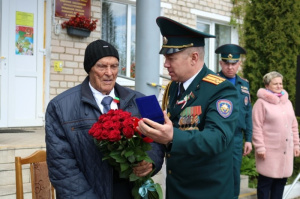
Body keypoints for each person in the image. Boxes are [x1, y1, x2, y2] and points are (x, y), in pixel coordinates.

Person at [45, 39, 165, 199]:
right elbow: (61, 167)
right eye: (102, 66)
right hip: (89, 193)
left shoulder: (142, 100)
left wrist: (151, 162)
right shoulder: (60, 107)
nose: (109, 72)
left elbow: (158, 138)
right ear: (89, 69)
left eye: (114, 66)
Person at [137, 16, 239, 199]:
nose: (165, 64)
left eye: (171, 58)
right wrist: (151, 160)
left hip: (208, 192)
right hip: (177, 188)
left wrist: (173, 136)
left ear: (194, 57)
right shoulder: (172, 88)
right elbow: (165, 133)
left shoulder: (222, 89)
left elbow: (218, 138)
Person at [252, 71, 300, 199]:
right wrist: (260, 147)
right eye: (275, 84)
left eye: (280, 83)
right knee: (265, 184)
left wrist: (296, 145)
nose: (279, 86)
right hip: (268, 152)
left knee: (280, 184)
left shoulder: (287, 102)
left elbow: (293, 126)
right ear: (267, 86)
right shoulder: (261, 103)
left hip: (286, 151)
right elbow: (256, 127)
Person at [215, 44, 253, 199]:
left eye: (233, 64)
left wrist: (248, 138)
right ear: (221, 63)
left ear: (239, 64)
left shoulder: (244, 84)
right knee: (218, 174)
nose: (230, 67)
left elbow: (247, 112)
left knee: (235, 175)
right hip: (218, 136)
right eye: (226, 63)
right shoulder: (213, 82)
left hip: (237, 138)